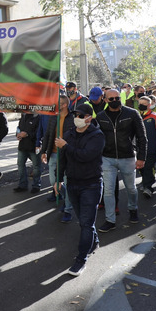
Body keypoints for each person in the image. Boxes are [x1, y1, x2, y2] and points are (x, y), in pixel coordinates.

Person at [56, 104, 106, 276]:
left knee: (86, 223)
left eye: (81, 115)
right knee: (84, 221)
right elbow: (63, 159)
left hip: (91, 185)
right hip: (72, 183)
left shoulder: (97, 136)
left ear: (89, 118)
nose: (77, 117)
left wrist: (65, 146)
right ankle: (95, 241)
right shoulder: (69, 134)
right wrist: (58, 179)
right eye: (76, 114)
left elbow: (85, 155)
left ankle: (81, 259)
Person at [94, 89, 146, 232]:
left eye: (117, 98)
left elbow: (142, 137)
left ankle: (133, 209)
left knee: (131, 188)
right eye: (111, 99)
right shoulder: (100, 116)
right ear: (105, 100)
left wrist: (141, 157)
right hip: (107, 158)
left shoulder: (132, 113)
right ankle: (110, 220)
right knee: (108, 191)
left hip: (128, 157)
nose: (115, 100)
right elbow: (95, 137)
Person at [39, 94, 76, 222]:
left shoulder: (73, 118)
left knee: (66, 181)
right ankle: (66, 199)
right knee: (53, 182)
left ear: (64, 105)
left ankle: (68, 210)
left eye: (58, 103)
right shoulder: (53, 118)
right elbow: (48, 135)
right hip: (53, 154)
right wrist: (43, 151)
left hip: (67, 155)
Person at [137, 97, 156, 198]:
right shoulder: (136, 116)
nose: (141, 105)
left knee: (148, 168)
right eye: (140, 103)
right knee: (141, 168)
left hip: (151, 149)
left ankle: (148, 188)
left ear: (149, 105)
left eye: (144, 103)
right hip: (138, 149)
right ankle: (145, 183)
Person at [13, 110, 42, 193]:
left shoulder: (38, 117)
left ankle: (36, 185)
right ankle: (22, 185)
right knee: (20, 165)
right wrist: (18, 134)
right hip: (22, 146)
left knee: (36, 167)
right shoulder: (24, 116)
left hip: (34, 146)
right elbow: (19, 128)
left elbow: (39, 133)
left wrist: (27, 134)